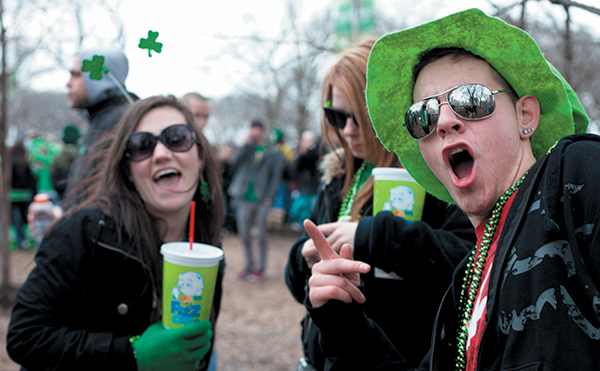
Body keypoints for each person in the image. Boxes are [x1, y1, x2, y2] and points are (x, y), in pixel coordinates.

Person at [303, 9, 597, 370]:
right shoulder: (468, 282)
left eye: (471, 100)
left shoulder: (575, 175)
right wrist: (340, 319)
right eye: (421, 116)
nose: (442, 121)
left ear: (526, 116)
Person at [285, 38, 475, 371]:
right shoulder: (341, 177)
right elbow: (297, 284)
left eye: (359, 117)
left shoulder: (436, 173)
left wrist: (371, 237)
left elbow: (468, 261)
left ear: (387, 109)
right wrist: (304, 258)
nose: (347, 131)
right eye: (336, 116)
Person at [7, 95, 224, 371]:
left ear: (201, 155)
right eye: (141, 145)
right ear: (129, 170)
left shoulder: (207, 249)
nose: (161, 153)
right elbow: (24, 337)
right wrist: (133, 356)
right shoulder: (85, 230)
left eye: (177, 138)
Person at [63, 48, 133, 208]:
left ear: (100, 78)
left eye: (76, 75)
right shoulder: (100, 121)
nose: (68, 83)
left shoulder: (121, 125)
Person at [228, 120, 285, 282]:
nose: (255, 133)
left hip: (262, 198)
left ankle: (260, 269)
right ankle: (248, 267)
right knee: (244, 233)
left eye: (257, 130)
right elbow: (233, 162)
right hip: (244, 196)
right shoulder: (246, 149)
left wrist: (270, 196)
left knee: (261, 234)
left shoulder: (272, 151)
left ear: (262, 131)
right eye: (252, 129)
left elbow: (276, 175)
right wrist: (246, 145)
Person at [10, 139, 37, 249]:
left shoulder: (11, 163)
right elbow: (32, 181)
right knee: (25, 218)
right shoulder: (26, 163)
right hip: (25, 196)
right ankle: (25, 240)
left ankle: (19, 240)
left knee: (16, 220)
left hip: (13, 196)